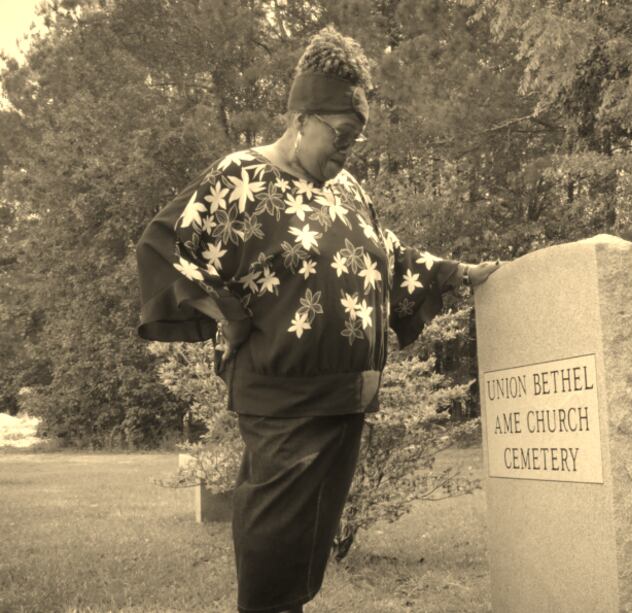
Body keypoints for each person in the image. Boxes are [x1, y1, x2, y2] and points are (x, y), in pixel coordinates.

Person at [135, 24, 501, 613]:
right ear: (302, 117)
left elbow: (390, 256)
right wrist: (223, 312)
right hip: (282, 403)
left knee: (304, 561)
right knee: (272, 559)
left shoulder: (348, 189)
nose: (347, 151)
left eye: (357, 141)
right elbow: (162, 245)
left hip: (347, 399)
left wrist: (459, 272)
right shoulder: (242, 179)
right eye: (341, 135)